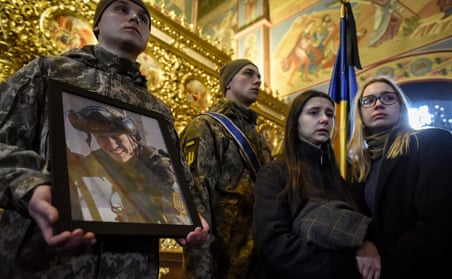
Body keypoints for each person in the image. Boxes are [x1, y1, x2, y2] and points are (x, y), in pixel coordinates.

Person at [0, 0, 208, 278]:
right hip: (43, 260)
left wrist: (185, 218)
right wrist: (31, 187)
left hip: (132, 264)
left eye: (143, 18)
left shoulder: (157, 109)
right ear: (97, 24)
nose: (135, 17)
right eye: (121, 9)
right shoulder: (47, 72)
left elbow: (181, 180)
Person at [253, 90, 381, 279]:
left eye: (329, 114)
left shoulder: (340, 181)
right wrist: (348, 262)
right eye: (314, 113)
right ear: (296, 121)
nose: (324, 120)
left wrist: (367, 243)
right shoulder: (275, 173)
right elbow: (273, 245)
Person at [347, 76, 452, 278]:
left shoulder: (432, 141)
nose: (378, 104)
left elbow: (439, 223)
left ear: (401, 107)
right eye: (369, 100)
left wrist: (385, 263)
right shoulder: (358, 166)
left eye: (387, 98)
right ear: (359, 112)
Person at [180, 58, 272, 278]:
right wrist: (200, 267)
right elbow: (195, 194)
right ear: (228, 83)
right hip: (221, 261)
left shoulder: (259, 139)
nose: (257, 80)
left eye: (259, 76)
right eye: (248, 74)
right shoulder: (206, 126)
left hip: (257, 258)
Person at [66, 105, 190, 225]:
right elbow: (73, 162)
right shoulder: (103, 157)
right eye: (101, 138)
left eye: (116, 137)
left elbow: (178, 217)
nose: (112, 146)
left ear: (132, 137)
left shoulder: (160, 167)